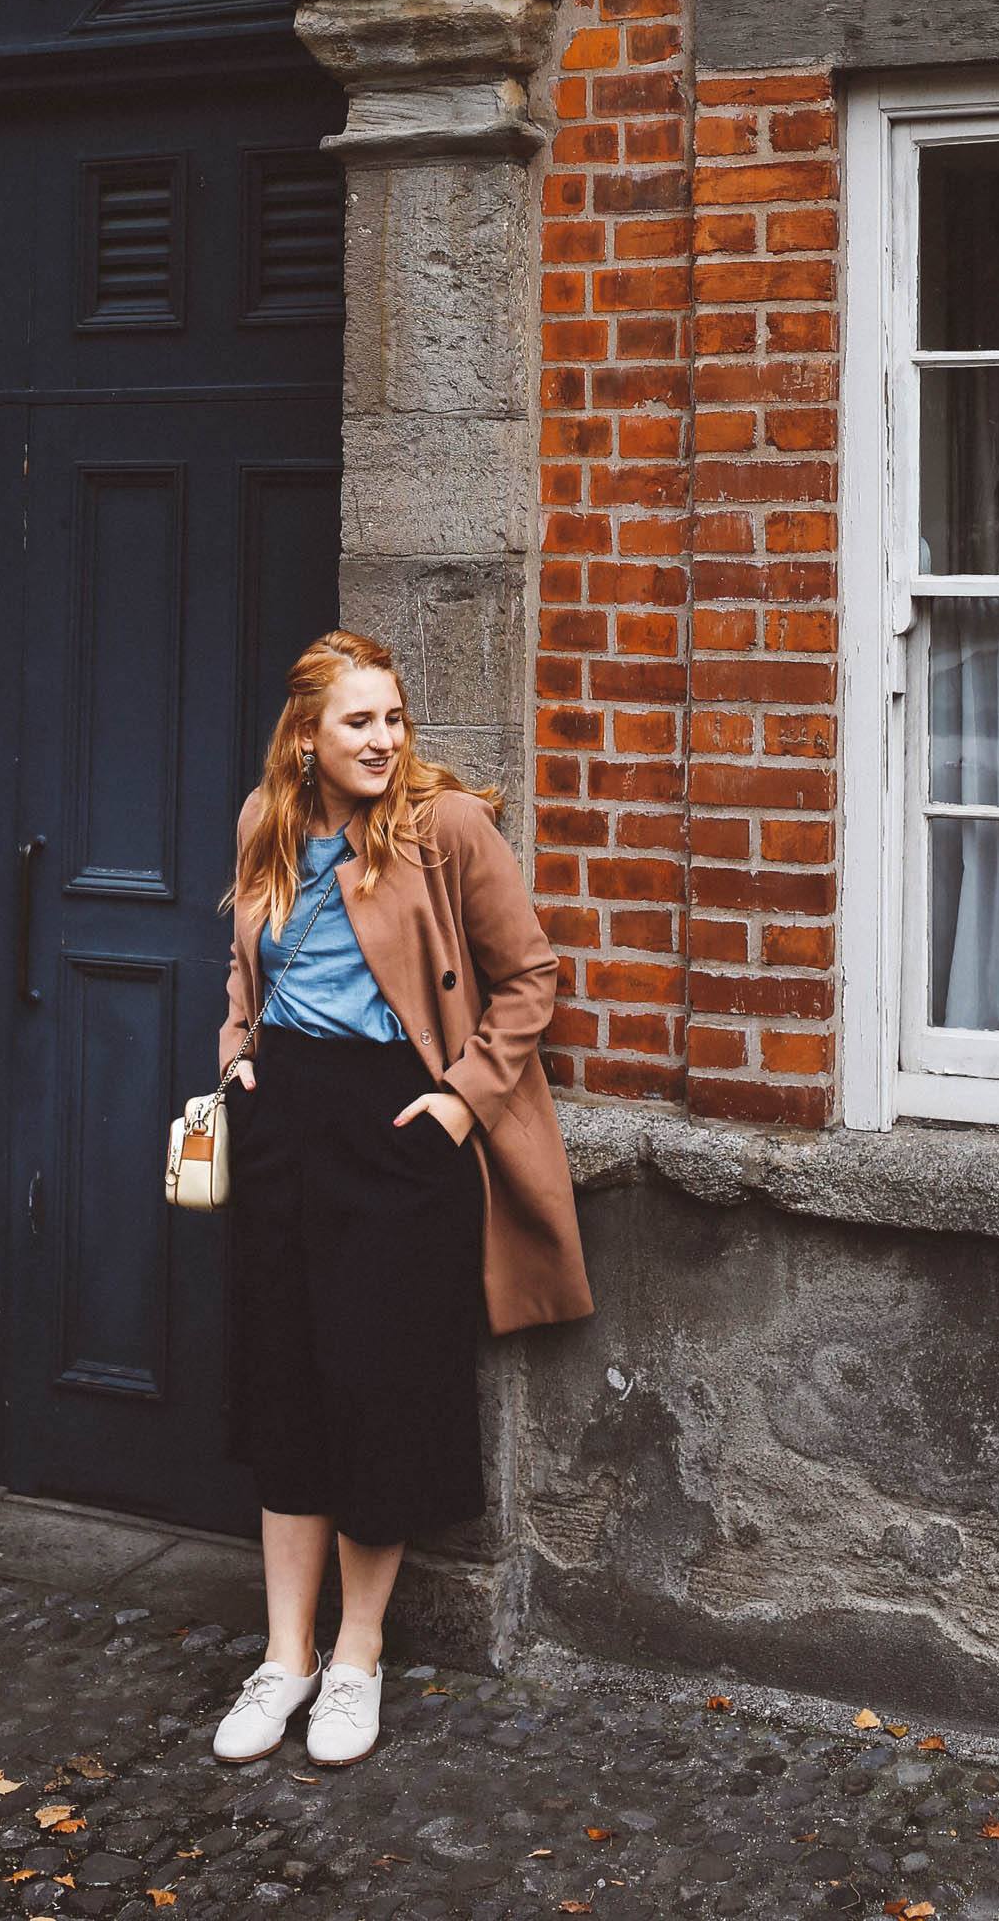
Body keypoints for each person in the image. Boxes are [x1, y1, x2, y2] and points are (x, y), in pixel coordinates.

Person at [209, 629, 592, 1771]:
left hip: (395, 1130)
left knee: (374, 1395)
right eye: (357, 724)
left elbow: (530, 977)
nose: (381, 742)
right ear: (306, 739)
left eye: (392, 719)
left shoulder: (445, 831)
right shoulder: (264, 824)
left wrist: (462, 1102)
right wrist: (236, 1057)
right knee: (288, 1390)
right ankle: (284, 1660)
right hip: (283, 1129)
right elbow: (244, 971)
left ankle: (355, 1660)